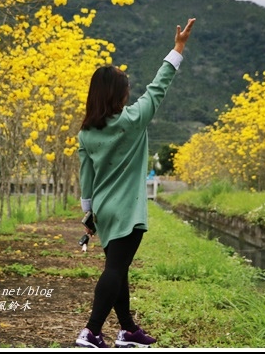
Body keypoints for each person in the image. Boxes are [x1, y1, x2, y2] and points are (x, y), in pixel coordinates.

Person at [75, 18, 196, 349]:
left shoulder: (86, 133)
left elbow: (86, 177)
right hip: (128, 211)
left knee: (119, 269)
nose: (130, 92)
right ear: (118, 95)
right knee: (115, 271)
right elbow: (159, 86)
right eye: (126, 88)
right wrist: (179, 47)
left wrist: (88, 213)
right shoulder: (133, 120)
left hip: (103, 210)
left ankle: (128, 330)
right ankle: (91, 331)